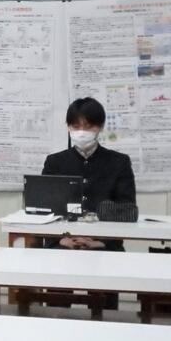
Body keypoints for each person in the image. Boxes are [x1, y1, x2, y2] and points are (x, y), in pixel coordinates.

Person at [43, 97, 136, 251]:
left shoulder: (119, 162)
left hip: (105, 245)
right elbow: (43, 207)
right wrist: (61, 239)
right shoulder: (54, 162)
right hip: (61, 244)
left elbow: (127, 210)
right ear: (68, 127)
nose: (81, 132)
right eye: (76, 126)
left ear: (100, 126)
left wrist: (101, 241)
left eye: (88, 126)